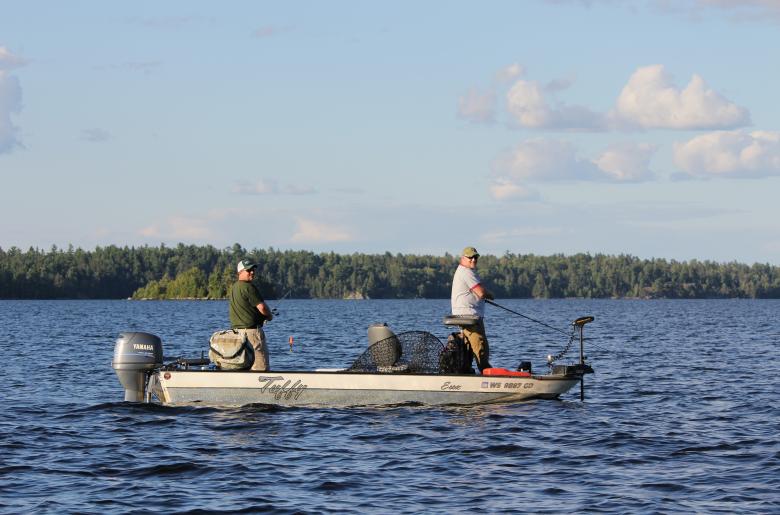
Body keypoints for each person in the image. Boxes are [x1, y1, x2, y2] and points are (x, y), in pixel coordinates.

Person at [450, 246, 494, 372]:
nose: (473, 260)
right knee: (481, 350)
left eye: (475, 257)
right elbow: (480, 292)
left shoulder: (464, 271)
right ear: (463, 258)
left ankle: (468, 371)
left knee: (471, 348)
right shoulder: (466, 272)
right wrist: (490, 295)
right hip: (469, 317)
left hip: (467, 315)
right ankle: (487, 375)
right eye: (470, 257)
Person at [229, 259, 274, 371]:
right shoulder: (249, 287)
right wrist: (269, 316)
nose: (252, 272)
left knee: (244, 367)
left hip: (237, 334)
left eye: (253, 269)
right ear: (240, 272)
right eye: (248, 270)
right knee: (261, 367)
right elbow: (262, 307)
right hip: (252, 334)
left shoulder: (234, 288)